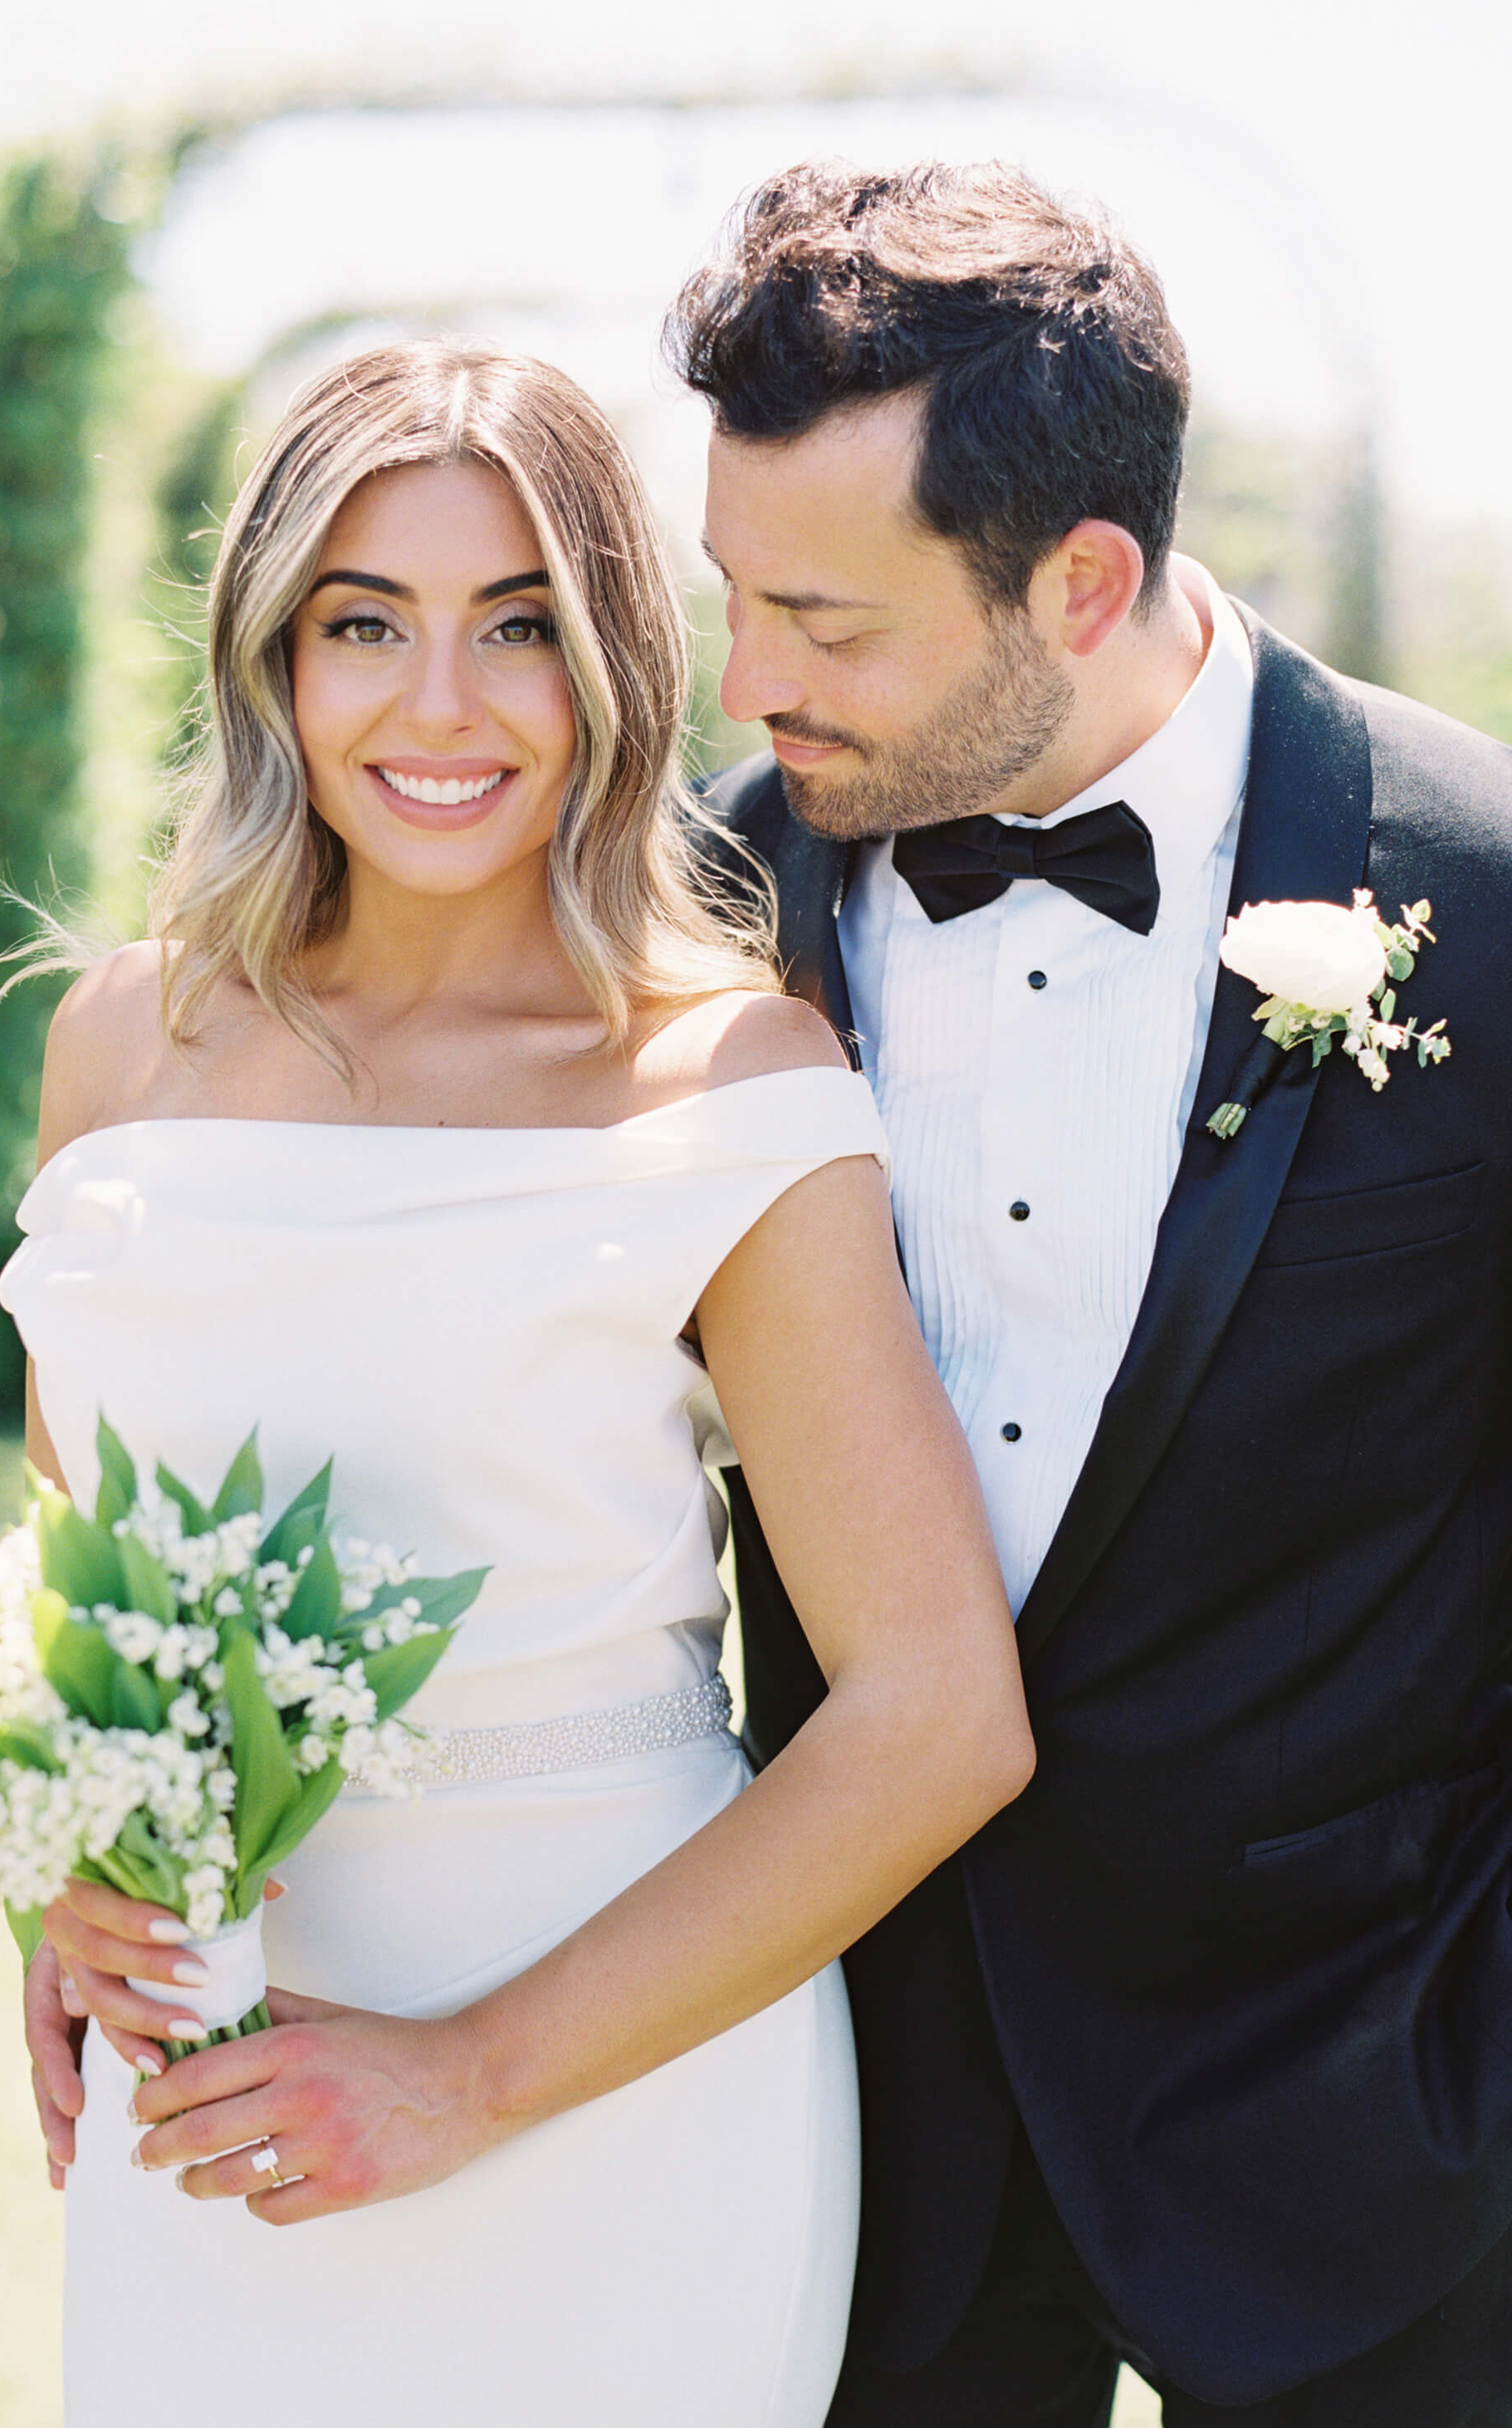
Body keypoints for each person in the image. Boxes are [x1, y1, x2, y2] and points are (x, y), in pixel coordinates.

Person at [2, 338, 1033, 2428]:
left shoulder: (731, 1085)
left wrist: (464, 2077)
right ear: (270, 657)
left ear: (619, 673)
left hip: (618, 2112)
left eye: (520, 630)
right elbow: (90, 1575)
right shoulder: (122, 1044)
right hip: (216, 2091)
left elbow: (938, 1719)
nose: (439, 706)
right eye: (363, 623)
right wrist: (70, 1861)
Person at [665, 159, 1512, 2425]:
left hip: (1378, 2126)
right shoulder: (695, 907)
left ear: (1084, 577)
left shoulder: (1493, 895)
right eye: (736, 597)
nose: (752, 684)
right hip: (868, 2116)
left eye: (828, 622)